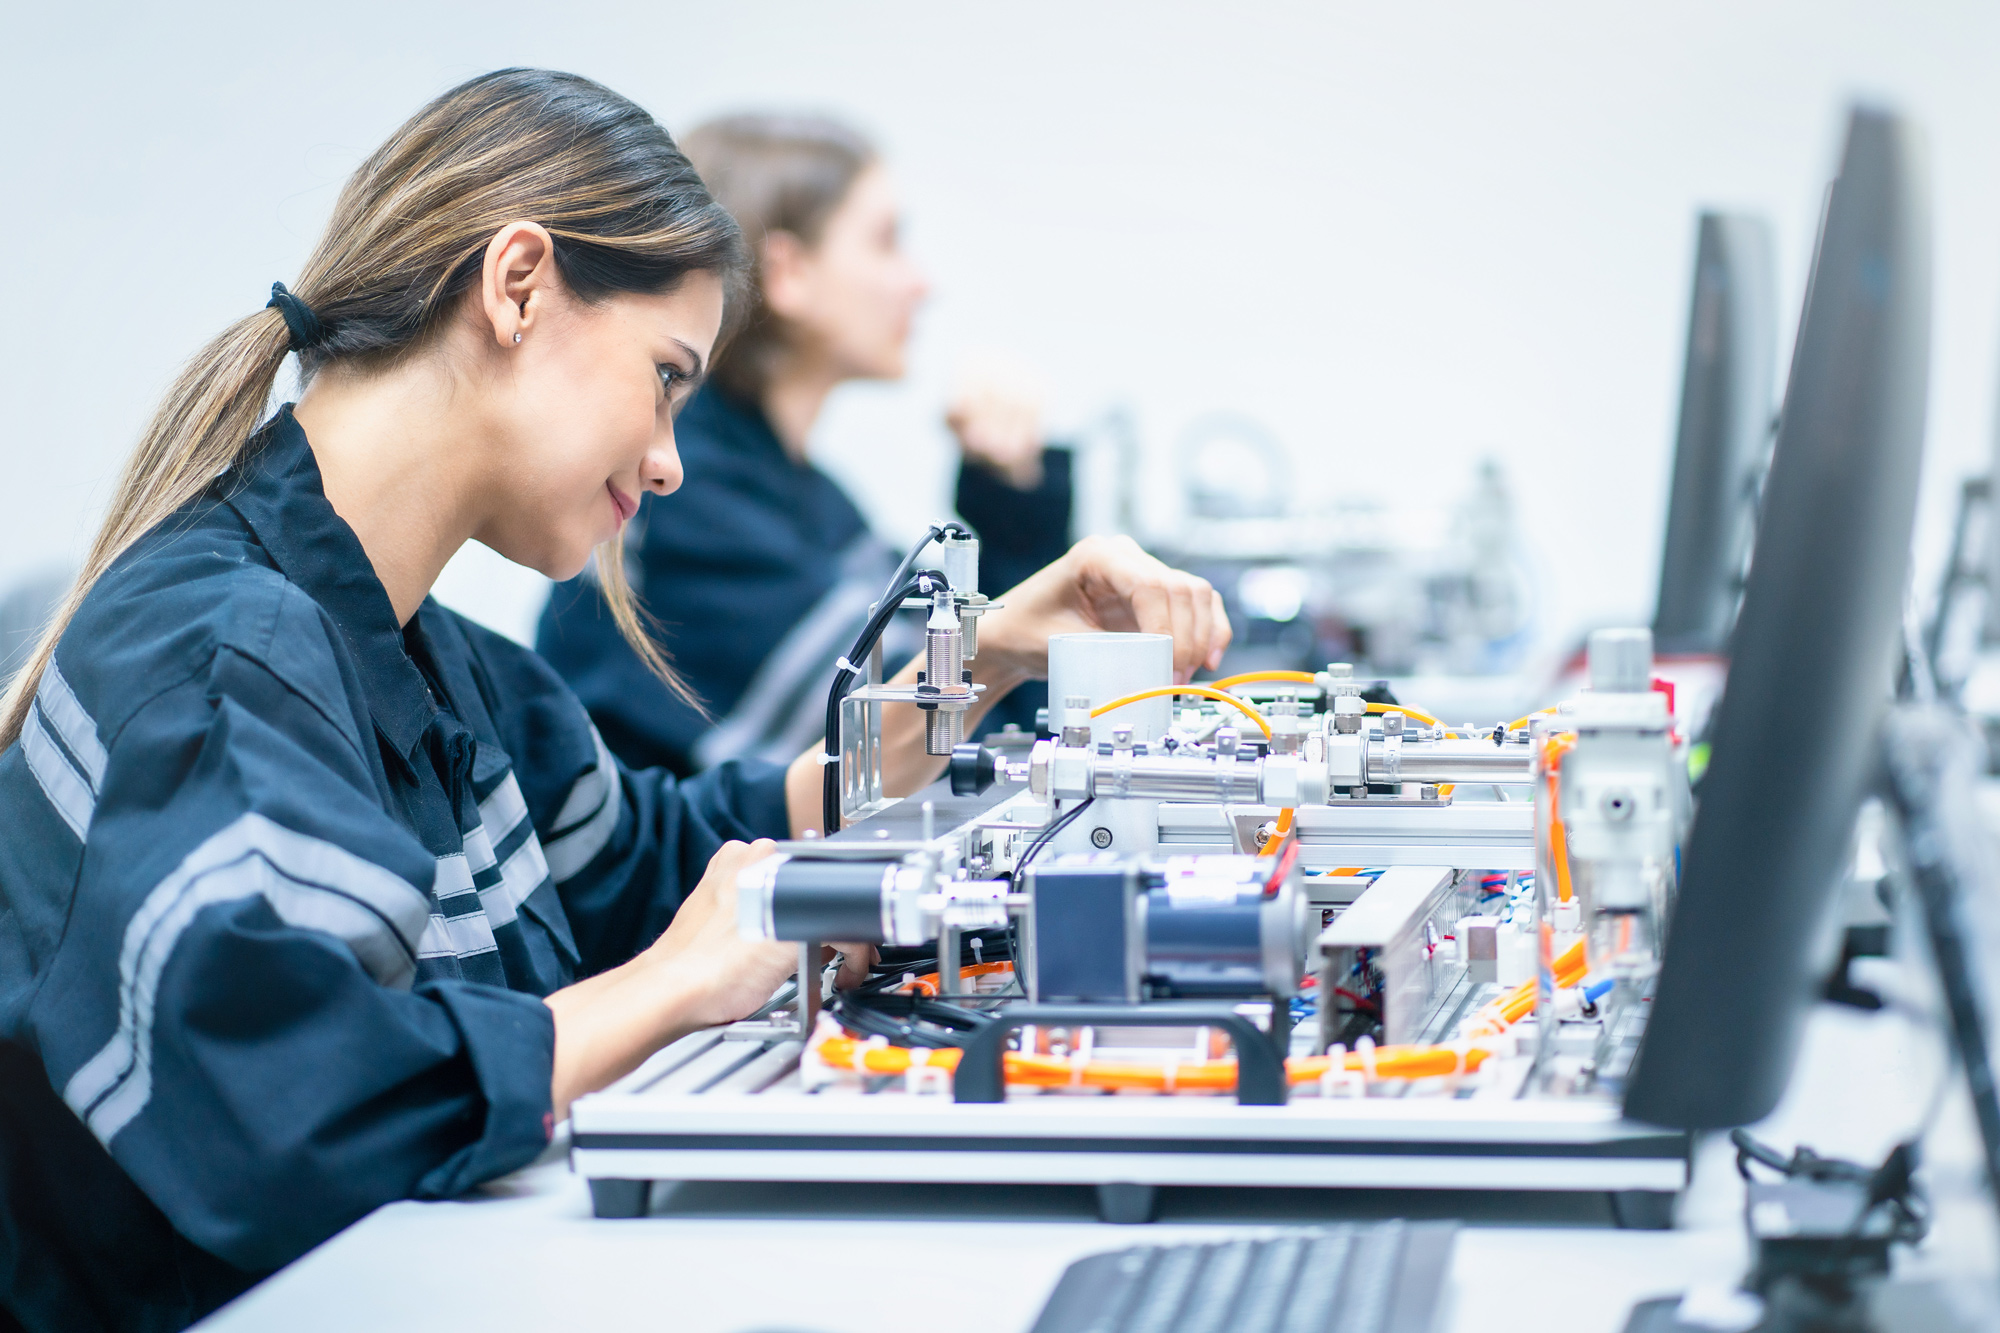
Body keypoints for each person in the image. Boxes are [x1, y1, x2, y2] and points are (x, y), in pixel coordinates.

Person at [0, 70, 1228, 1333]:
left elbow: (665, 858)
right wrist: (671, 985)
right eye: (662, 377)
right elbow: (303, 1118)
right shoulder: (226, 654)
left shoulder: (439, 664)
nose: (668, 457)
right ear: (517, 286)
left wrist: (988, 656)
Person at [536, 114, 1071, 777]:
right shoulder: (683, 499)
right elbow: (942, 741)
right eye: (885, 242)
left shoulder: (806, 495)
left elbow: (984, 678)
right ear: (789, 270)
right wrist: (1021, 534)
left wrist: (1011, 493)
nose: (920, 283)